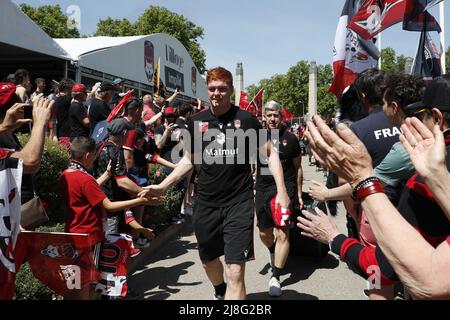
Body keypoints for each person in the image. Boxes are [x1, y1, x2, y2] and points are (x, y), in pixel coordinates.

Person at [144, 67, 290, 300]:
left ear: (231, 90)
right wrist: (163, 186)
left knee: (235, 271)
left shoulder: (246, 120)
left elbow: (270, 154)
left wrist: (282, 192)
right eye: (212, 89)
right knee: (209, 262)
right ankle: (219, 290)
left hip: (239, 203)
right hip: (206, 203)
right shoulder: (196, 121)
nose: (216, 93)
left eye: (222, 89)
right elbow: (190, 160)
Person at [299, 101, 450, 299]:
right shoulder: (420, 148)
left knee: (378, 280)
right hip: (392, 221)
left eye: (423, 114)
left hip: (379, 218)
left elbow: (428, 280)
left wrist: (335, 236)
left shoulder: (363, 131)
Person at [59, 137, 159, 300]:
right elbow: (108, 206)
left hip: (72, 235)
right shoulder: (85, 179)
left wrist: (106, 174)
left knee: (73, 281)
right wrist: (140, 200)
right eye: (93, 156)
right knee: (87, 282)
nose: (94, 159)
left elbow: (87, 190)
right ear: (86, 155)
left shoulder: (66, 174)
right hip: (89, 237)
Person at [255, 100, 303, 297]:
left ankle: (276, 275)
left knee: (282, 232)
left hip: (285, 190)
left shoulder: (291, 139)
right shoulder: (256, 137)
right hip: (262, 189)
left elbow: (298, 168)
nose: (272, 119)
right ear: (264, 117)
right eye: (269, 115)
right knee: (264, 233)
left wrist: (298, 194)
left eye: (276, 115)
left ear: (281, 117)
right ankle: (273, 250)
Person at [54, 79, 74, 149]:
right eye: (72, 88)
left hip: (60, 134)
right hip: (68, 134)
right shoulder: (69, 99)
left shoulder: (55, 100)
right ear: (67, 89)